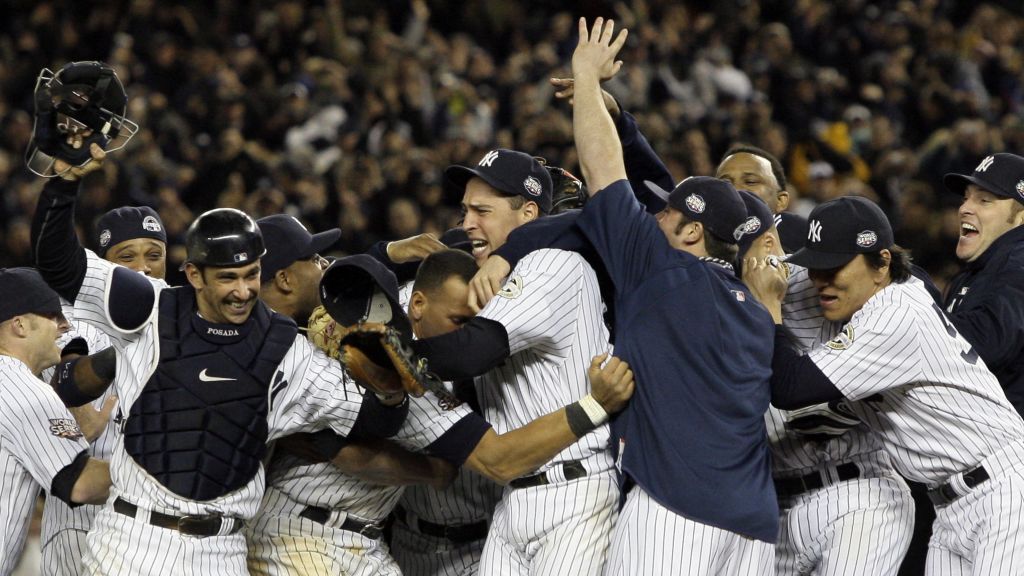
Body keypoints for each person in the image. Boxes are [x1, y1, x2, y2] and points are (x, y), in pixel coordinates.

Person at [32, 145, 408, 575]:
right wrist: (64, 181)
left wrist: (385, 372)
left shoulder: (289, 349)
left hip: (223, 551)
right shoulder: (151, 309)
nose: (243, 291)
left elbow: (377, 420)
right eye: (228, 277)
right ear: (194, 275)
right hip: (133, 541)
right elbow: (58, 261)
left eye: (251, 276)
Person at [247, 251, 634, 576]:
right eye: (460, 322)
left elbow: (469, 463)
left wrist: (340, 447)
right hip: (297, 529)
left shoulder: (414, 355)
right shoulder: (344, 338)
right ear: (415, 304)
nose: (468, 334)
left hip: (379, 542)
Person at [568, 18, 778, 574]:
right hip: (754, 525)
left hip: (676, 513)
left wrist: (586, 78)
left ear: (691, 232)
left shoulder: (660, 269)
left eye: (665, 211)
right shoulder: (755, 309)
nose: (652, 216)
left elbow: (601, 167)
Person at [745, 194, 1024, 574]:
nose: (820, 280)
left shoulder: (894, 315)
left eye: (835, 267)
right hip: (953, 503)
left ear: (881, 264)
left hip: (1003, 489)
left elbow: (790, 388)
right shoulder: (890, 297)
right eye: (815, 266)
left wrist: (768, 310)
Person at [737, 192, 915, 574]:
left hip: (857, 488)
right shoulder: (721, 288)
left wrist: (769, 310)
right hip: (773, 505)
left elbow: (904, 280)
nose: (820, 277)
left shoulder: (882, 300)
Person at [31, 146, 168, 576]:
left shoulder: (180, 316)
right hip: (81, 520)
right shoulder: (74, 316)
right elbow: (65, 377)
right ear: (103, 267)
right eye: (126, 257)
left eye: (154, 254)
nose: (143, 269)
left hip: (156, 523)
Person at [0, 268, 111, 574]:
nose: (64, 325)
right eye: (52, 315)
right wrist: (158, 468)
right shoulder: (21, 386)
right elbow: (81, 484)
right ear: (20, 324)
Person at [942, 152, 1024, 416]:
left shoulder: (1018, 263)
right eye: (966, 197)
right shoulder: (978, 270)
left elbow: (987, 343)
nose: (965, 207)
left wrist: (913, 307)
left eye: (984, 200)